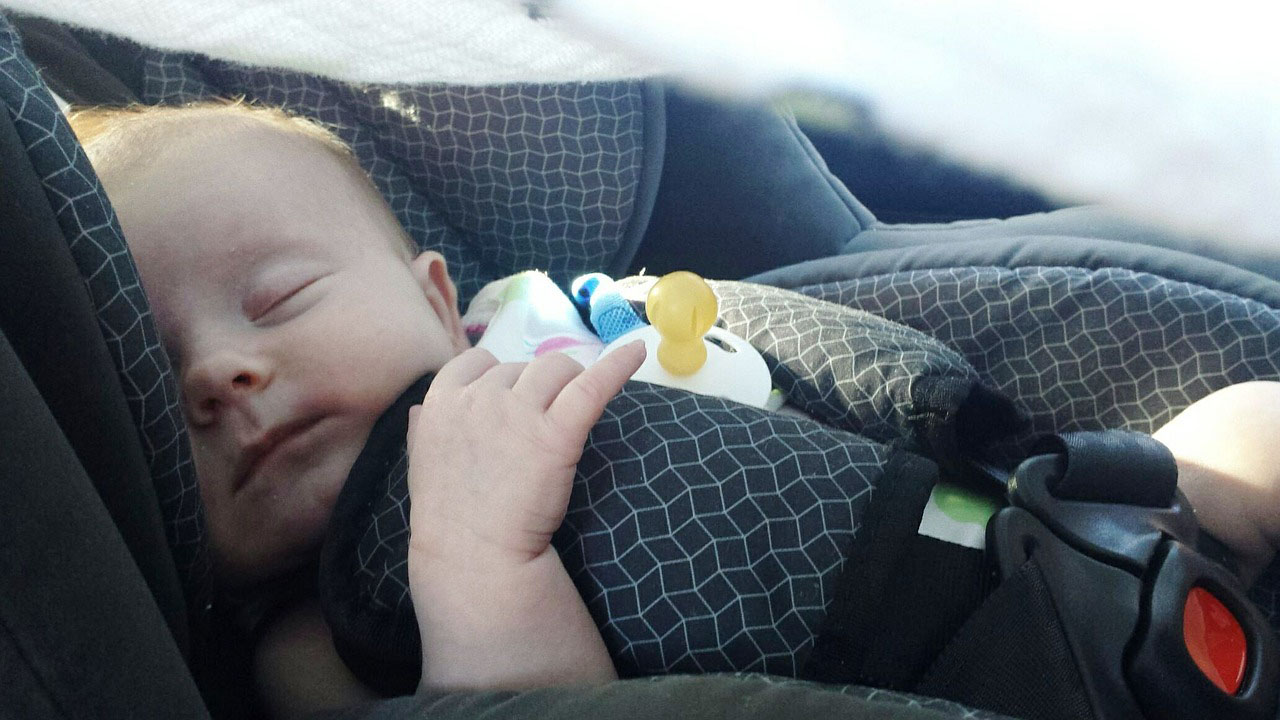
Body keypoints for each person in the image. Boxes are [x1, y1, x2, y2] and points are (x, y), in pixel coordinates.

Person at [68, 101, 1280, 718]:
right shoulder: (305, 642)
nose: (220, 376)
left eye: (275, 297)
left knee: (1243, 428)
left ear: (440, 304)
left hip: (1050, 520)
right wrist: (476, 560)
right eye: (157, 395)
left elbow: (814, 371)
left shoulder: (584, 331)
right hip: (940, 678)